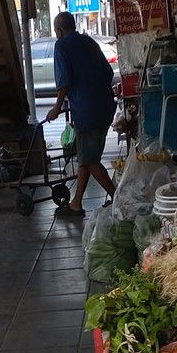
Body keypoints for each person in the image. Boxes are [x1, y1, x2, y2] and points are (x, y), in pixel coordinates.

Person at [43, 11, 117, 212]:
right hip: (106, 107)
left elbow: (64, 80)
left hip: (86, 112)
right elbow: (108, 72)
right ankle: (76, 203)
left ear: (59, 30)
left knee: (90, 160)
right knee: (86, 156)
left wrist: (57, 107)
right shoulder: (89, 42)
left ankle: (117, 197)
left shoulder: (62, 46)